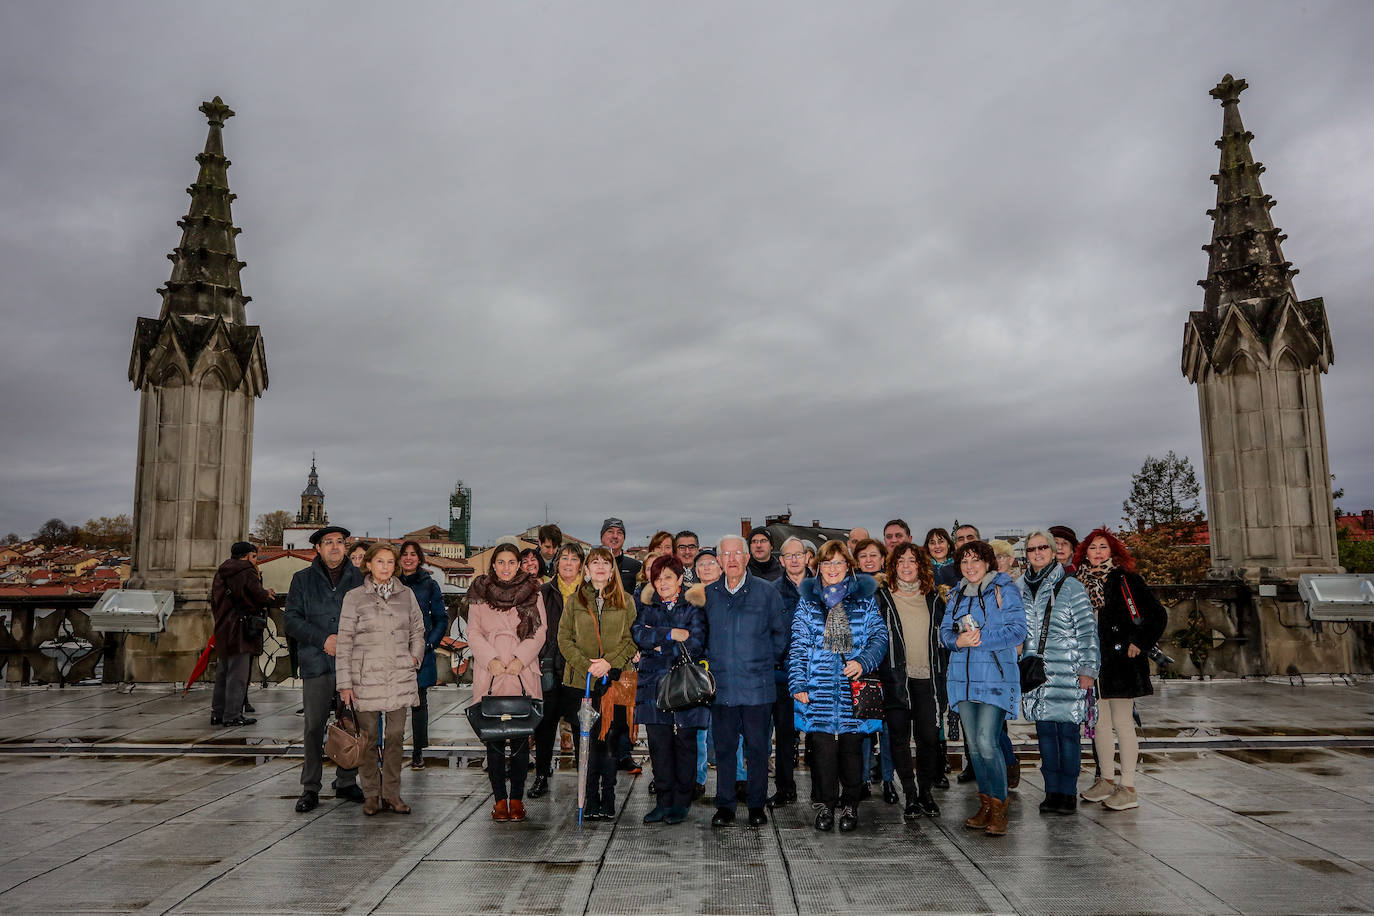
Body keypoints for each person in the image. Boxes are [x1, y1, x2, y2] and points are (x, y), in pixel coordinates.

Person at [789, 541, 888, 833]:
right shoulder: (807, 602)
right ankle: (827, 806)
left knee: (851, 753)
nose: (832, 569)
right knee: (821, 754)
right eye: (827, 564)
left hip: (852, 690)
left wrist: (863, 662)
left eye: (838, 563)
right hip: (817, 689)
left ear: (848, 566)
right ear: (818, 567)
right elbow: (798, 646)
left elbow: (879, 638)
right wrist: (797, 682)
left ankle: (850, 804)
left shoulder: (865, 601)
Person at [1074, 527, 1167, 812]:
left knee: (1123, 723)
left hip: (1122, 662)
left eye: (1103, 547)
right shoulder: (1079, 581)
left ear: (1113, 552)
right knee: (1099, 724)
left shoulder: (1126, 579)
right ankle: (1106, 779)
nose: (1098, 552)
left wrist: (1139, 641)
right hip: (1094, 662)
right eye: (1093, 547)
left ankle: (1128, 786)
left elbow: (1157, 615)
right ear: (1085, 552)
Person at [940, 539, 1026, 837]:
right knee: (974, 747)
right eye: (964, 561)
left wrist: (981, 639)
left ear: (988, 562)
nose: (970, 566)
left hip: (995, 677)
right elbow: (944, 632)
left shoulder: (1005, 590)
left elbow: (1018, 630)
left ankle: (1000, 808)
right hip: (962, 680)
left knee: (987, 741)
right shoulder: (956, 594)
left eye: (975, 560)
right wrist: (957, 641)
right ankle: (986, 805)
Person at [703, 534, 789, 828]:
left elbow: (781, 634)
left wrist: (764, 660)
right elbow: (701, 637)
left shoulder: (766, 592)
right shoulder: (710, 594)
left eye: (737, 554)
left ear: (747, 557)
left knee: (757, 750)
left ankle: (756, 806)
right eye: (726, 555)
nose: (732, 560)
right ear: (718, 560)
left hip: (757, 687)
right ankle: (725, 806)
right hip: (723, 688)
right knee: (725, 750)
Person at [336, 542, 425, 816]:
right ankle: (371, 794)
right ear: (369, 565)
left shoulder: (406, 595)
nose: (385, 567)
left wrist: (414, 658)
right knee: (368, 736)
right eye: (380, 562)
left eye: (389, 562)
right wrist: (345, 683)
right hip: (365, 677)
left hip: (399, 674)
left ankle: (392, 794)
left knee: (396, 736)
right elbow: (345, 641)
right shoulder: (354, 597)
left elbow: (418, 630)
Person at [1018, 528, 1100, 815]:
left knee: (1068, 735)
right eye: (1032, 549)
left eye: (1043, 548)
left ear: (1053, 552)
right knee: (1045, 735)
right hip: (1037, 673)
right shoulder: (1020, 586)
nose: (1037, 553)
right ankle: (1051, 790)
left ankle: (1068, 792)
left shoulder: (1071, 585)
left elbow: (1088, 631)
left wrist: (1088, 670)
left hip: (1068, 671)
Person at [285, 525, 365, 813]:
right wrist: (324, 640)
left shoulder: (359, 579)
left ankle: (346, 780)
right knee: (313, 726)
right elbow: (291, 620)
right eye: (328, 542)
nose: (334, 547)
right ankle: (310, 787)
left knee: (350, 723)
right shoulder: (302, 580)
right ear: (317, 549)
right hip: (316, 662)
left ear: (346, 547)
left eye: (339, 542)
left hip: (352, 664)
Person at [467, 542, 548, 822]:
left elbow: (539, 631)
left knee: (522, 739)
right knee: (495, 741)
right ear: (493, 564)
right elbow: (473, 631)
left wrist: (519, 658)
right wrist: (490, 658)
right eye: (500, 562)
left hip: (520, 671)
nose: (505, 567)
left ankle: (517, 799)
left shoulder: (532, 591)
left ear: (519, 564)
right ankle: (500, 800)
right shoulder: (479, 591)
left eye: (511, 562)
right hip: (491, 672)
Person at [558, 546, 637, 821]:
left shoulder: (626, 600)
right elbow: (564, 639)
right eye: (595, 562)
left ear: (612, 568)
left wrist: (608, 663)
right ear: (587, 569)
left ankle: (609, 796)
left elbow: (632, 639)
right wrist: (587, 666)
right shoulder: (575, 601)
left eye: (606, 561)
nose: (601, 566)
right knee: (586, 743)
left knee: (611, 742)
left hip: (616, 682)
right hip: (581, 683)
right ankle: (589, 797)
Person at [633, 555, 707, 825]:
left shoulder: (693, 606)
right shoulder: (646, 604)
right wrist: (670, 634)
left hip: (684, 685)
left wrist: (659, 645)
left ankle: (681, 802)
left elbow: (696, 642)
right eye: (657, 578)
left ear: (679, 579)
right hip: (653, 685)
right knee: (659, 746)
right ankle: (663, 801)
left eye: (668, 577)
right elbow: (639, 634)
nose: (662, 582)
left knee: (685, 745)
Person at [874, 542, 945, 819]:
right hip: (895, 679)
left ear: (921, 565)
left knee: (928, 738)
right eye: (900, 560)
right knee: (899, 740)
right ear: (893, 566)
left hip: (928, 679)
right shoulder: (882, 598)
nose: (906, 566)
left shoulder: (936, 598)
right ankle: (910, 794)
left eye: (912, 561)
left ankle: (926, 792)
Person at [530, 542, 583, 798]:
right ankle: (541, 775)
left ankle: (585, 779)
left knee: (580, 725)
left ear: (581, 565)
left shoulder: (589, 592)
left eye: (574, 559)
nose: (568, 563)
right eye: (564, 558)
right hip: (550, 665)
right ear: (556, 563)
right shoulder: (544, 592)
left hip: (579, 668)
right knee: (545, 725)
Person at [209, 541, 274, 727]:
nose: (255, 561)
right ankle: (232, 715)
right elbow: (256, 595)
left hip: (223, 627)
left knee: (223, 673)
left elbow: (214, 600)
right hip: (240, 629)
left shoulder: (222, 571)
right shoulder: (246, 571)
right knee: (238, 675)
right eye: (254, 557)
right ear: (246, 556)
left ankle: (217, 713)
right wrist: (266, 593)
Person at [767, 536, 810, 808]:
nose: (794, 560)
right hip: (782, 673)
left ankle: (824, 790)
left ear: (808, 557)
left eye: (799, 554)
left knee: (820, 737)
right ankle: (785, 789)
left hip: (817, 673)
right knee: (783, 736)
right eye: (788, 556)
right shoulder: (771, 591)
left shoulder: (823, 588)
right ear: (781, 561)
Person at [397, 541, 448, 770]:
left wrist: (429, 644)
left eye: (413, 555)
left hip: (421, 651)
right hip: (393, 649)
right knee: (393, 703)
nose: (408, 558)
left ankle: (418, 751)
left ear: (419, 559)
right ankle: (392, 748)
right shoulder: (390, 581)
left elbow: (441, 618)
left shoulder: (429, 584)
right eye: (404, 554)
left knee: (418, 702)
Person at [599, 517, 641, 594]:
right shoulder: (590, 566)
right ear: (602, 537)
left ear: (624, 538)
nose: (615, 536)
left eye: (619, 533)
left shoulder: (635, 566)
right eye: (610, 531)